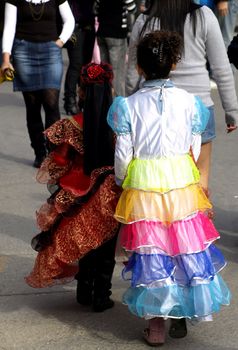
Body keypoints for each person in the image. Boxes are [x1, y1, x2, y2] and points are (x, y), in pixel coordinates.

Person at [107, 30, 231, 347]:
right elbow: (193, 148)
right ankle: (180, 313)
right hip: (181, 186)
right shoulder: (191, 104)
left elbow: (123, 156)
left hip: (145, 189)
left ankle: (157, 326)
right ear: (174, 64)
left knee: (153, 254)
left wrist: (123, 182)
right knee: (184, 249)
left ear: (139, 67)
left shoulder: (128, 106)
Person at [125, 0, 238, 239]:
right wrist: (232, 111)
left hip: (155, 109)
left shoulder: (145, 21)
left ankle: (161, 238)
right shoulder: (203, 16)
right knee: (199, 176)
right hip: (199, 109)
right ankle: (195, 238)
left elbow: (131, 71)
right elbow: (221, 67)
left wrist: (130, 105)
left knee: (158, 177)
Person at [25, 62, 121, 312]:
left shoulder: (71, 125)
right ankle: (102, 294)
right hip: (110, 193)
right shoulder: (118, 125)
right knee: (105, 243)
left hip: (77, 194)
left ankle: (83, 289)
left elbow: (57, 161)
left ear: (80, 92)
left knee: (84, 241)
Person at [1, 0, 75, 168]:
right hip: (24, 52)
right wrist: (6, 59)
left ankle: (54, 152)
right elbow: (9, 27)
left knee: (51, 103)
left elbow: (70, 20)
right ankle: (39, 153)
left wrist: (60, 41)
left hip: (51, 51)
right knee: (33, 106)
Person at [94, 0, 137, 96]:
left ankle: (104, 102)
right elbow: (132, 8)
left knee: (105, 71)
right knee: (117, 74)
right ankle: (118, 104)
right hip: (117, 33)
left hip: (102, 32)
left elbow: (95, 9)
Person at [63, 0, 95, 115]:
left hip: (89, 25)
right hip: (73, 27)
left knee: (86, 64)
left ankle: (83, 98)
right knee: (76, 63)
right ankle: (69, 100)